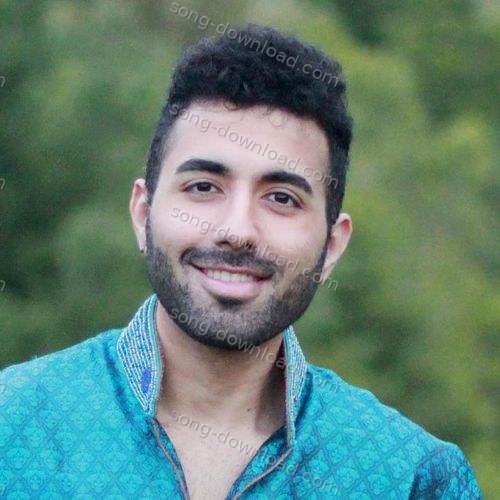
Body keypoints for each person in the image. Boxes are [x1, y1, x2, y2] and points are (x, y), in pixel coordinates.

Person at [0, 24, 482, 499]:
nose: (238, 230)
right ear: (143, 213)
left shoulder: (411, 478)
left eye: (282, 198)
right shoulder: (12, 423)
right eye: (203, 187)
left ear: (332, 246)